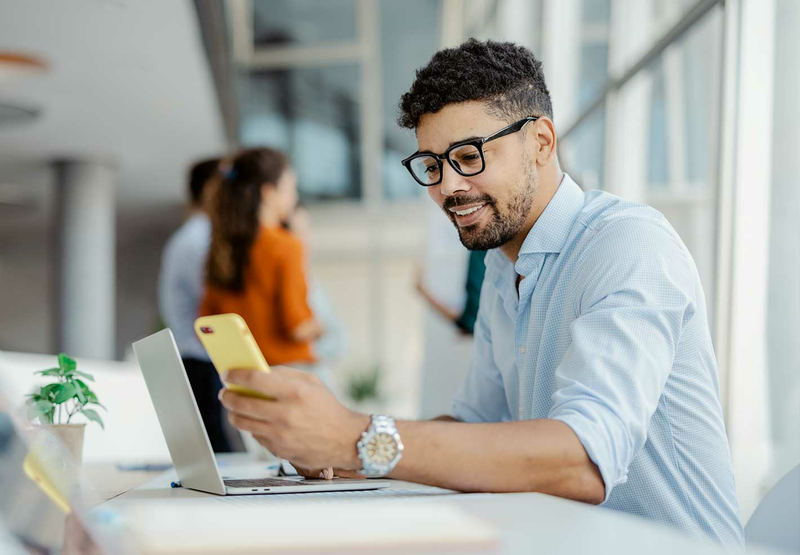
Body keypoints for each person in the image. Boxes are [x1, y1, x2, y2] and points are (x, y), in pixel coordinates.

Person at [217, 40, 744, 547]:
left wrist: (356, 435)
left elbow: (583, 460)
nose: (447, 187)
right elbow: (474, 428)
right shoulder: (500, 268)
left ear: (541, 142)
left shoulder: (629, 244)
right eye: (432, 165)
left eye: (468, 156)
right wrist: (338, 451)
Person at [200, 147, 322, 367]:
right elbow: (297, 327)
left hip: (244, 375)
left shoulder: (222, 247)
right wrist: (321, 327)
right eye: (290, 189)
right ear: (268, 192)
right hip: (288, 372)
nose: (294, 197)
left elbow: (207, 322)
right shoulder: (287, 246)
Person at [158, 157, 236, 453]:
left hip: (199, 359)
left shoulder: (192, 238)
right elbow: (214, 304)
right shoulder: (199, 241)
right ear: (210, 189)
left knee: (215, 444)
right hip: (201, 359)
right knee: (216, 449)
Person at [415, 249, 487, 334]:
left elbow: (458, 320)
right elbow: (458, 320)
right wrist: (422, 291)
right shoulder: (473, 322)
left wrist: (422, 291)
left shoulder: (472, 322)